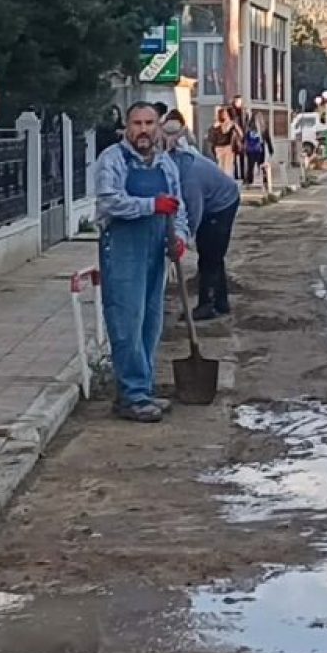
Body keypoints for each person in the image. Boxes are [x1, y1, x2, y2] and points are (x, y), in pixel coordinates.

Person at [95, 102, 190, 422]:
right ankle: (130, 395)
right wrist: (152, 205)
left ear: (159, 126)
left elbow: (178, 207)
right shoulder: (112, 160)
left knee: (151, 321)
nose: (144, 130)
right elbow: (110, 201)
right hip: (122, 249)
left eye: (150, 123)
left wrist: (178, 237)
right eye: (137, 123)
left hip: (155, 249)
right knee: (127, 322)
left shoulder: (166, 165)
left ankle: (143, 388)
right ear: (127, 127)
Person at [167, 142, 242, 321]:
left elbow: (194, 214)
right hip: (216, 200)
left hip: (223, 204)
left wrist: (183, 239)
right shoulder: (180, 162)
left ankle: (207, 304)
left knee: (210, 255)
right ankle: (221, 303)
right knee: (213, 255)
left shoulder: (189, 179)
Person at [208, 107, 241, 179]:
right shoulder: (231, 124)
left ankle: (222, 182)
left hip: (218, 148)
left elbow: (211, 138)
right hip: (228, 147)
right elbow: (241, 134)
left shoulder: (214, 126)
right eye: (225, 114)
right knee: (228, 168)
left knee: (221, 166)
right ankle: (228, 182)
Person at [243, 112, 274, 187]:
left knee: (251, 166)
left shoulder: (250, 128)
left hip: (251, 150)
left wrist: (245, 149)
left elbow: (245, 138)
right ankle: (264, 181)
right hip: (259, 149)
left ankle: (249, 181)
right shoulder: (262, 128)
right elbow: (268, 139)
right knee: (261, 165)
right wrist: (270, 150)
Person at [230, 95, 250, 181]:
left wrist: (245, 134)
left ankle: (243, 175)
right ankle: (235, 175)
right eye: (236, 101)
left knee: (242, 156)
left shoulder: (244, 111)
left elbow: (247, 123)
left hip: (243, 136)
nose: (238, 103)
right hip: (233, 137)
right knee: (233, 158)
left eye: (239, 101)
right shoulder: (230, 111)